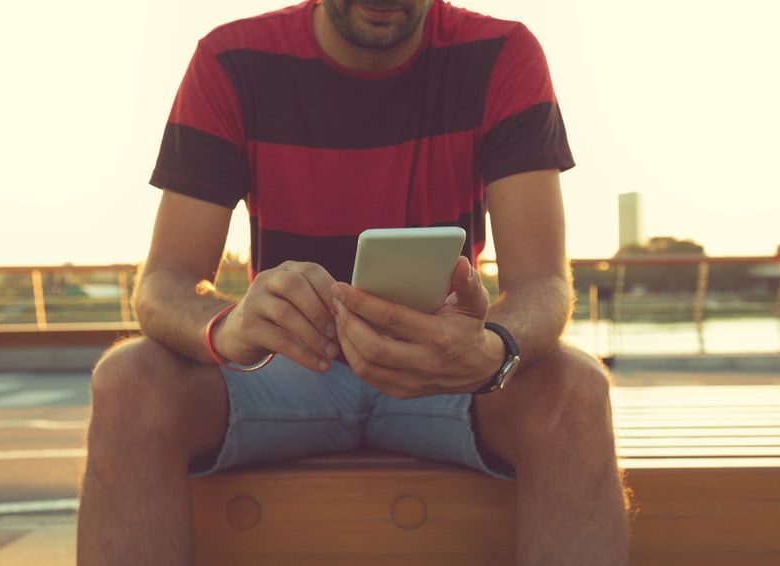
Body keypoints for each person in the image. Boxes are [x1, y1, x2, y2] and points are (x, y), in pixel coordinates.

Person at [77, 0, 630, 564]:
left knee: (576, 389)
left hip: (443, 371)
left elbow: (541, 281)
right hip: (287, 368)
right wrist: (230, 326)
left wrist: (494, 348)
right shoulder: (232, 60)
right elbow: (163, 281)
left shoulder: (501, 54)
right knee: (128, 382)